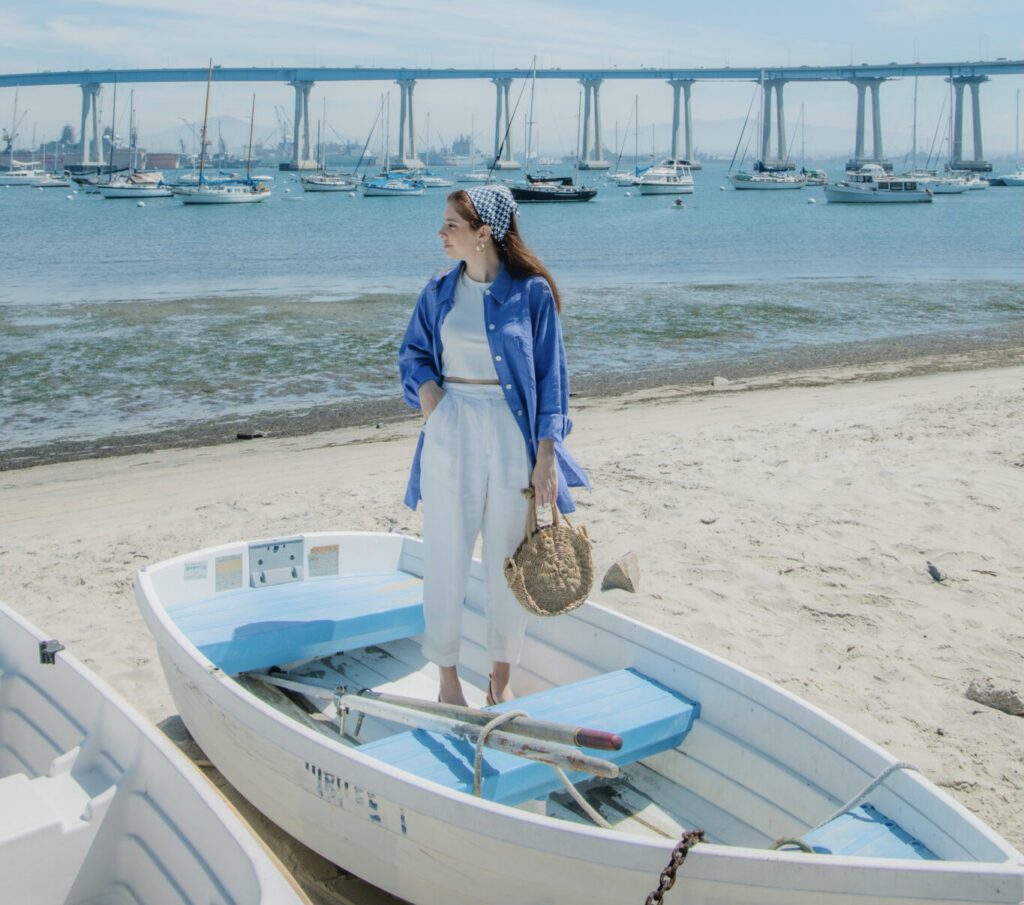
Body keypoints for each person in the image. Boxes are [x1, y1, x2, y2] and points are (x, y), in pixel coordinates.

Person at [398, 185, 590, 706]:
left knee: (510, 559)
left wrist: (546, 454)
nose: (441, 234)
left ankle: (499, 680)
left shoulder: (532, 295)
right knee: (444, 556)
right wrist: (430, 395)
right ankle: (446, 682)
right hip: (451, 429)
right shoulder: (437, 292)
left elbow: (553, 378)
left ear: (484, 234)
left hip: (511, 435)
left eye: (451, 226)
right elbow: (411, 355)